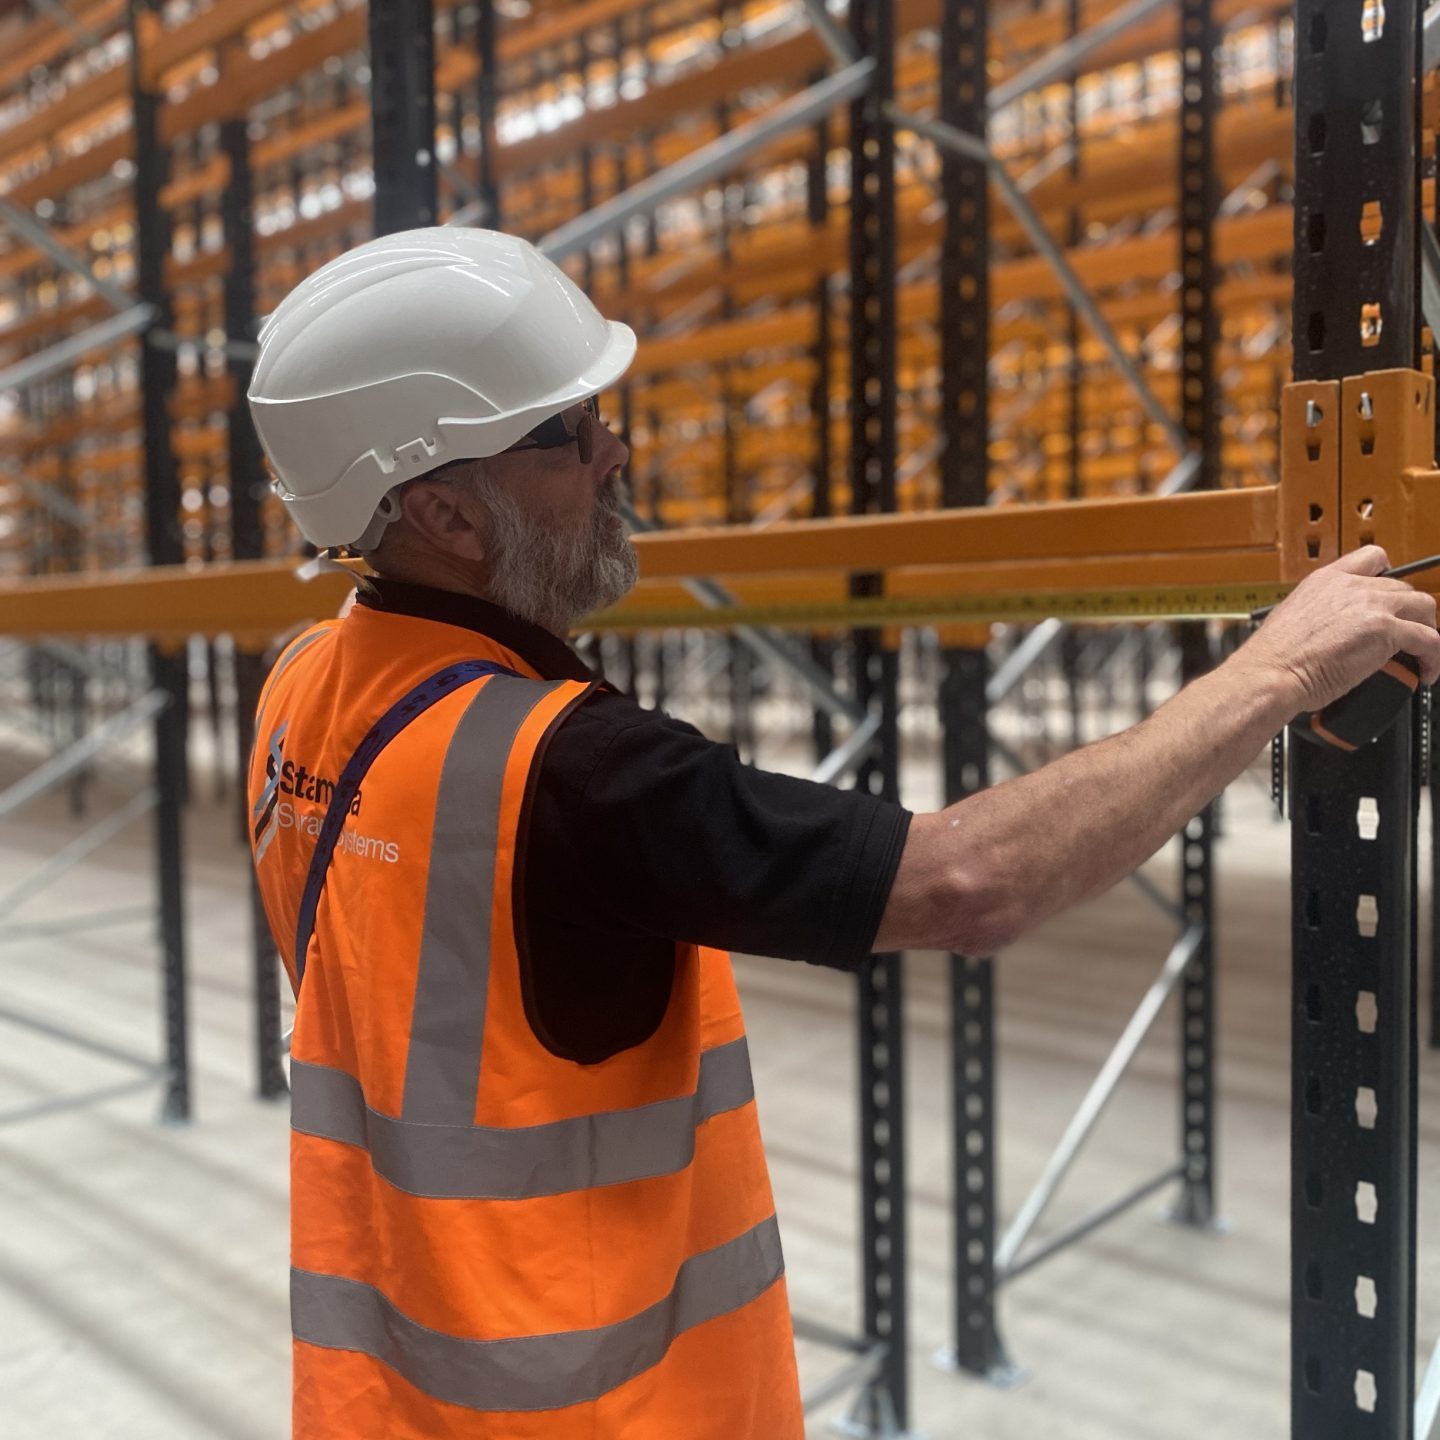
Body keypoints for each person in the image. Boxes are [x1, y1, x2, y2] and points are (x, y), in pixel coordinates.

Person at [245, 227, 1440, 1440]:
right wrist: (1276, 671)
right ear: (444, 510)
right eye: (564, 431)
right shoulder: (570, 775)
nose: (615, 450)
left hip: (386, 1401)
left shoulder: (300, 690)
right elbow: (972, 880)